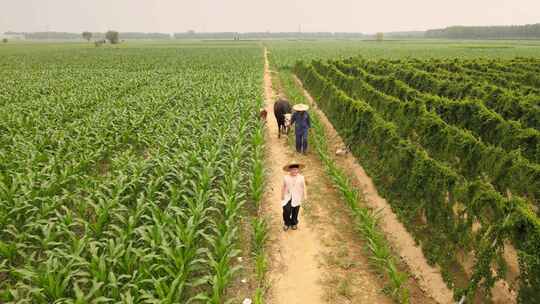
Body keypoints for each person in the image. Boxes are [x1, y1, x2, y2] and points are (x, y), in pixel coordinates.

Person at [281, 161, 307, 231]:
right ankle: (287, 223)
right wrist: (282, 195)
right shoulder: (286, 177)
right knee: (286, 209)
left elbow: (304, 186)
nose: (295, 171)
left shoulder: (301, 177)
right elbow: (283, 186)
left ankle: (294, 223)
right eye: (293, 169)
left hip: (297, 196)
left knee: (295, 210)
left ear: (298, 170)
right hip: (287, 196)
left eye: (296, 169)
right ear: (289, 170)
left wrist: (305, 195)